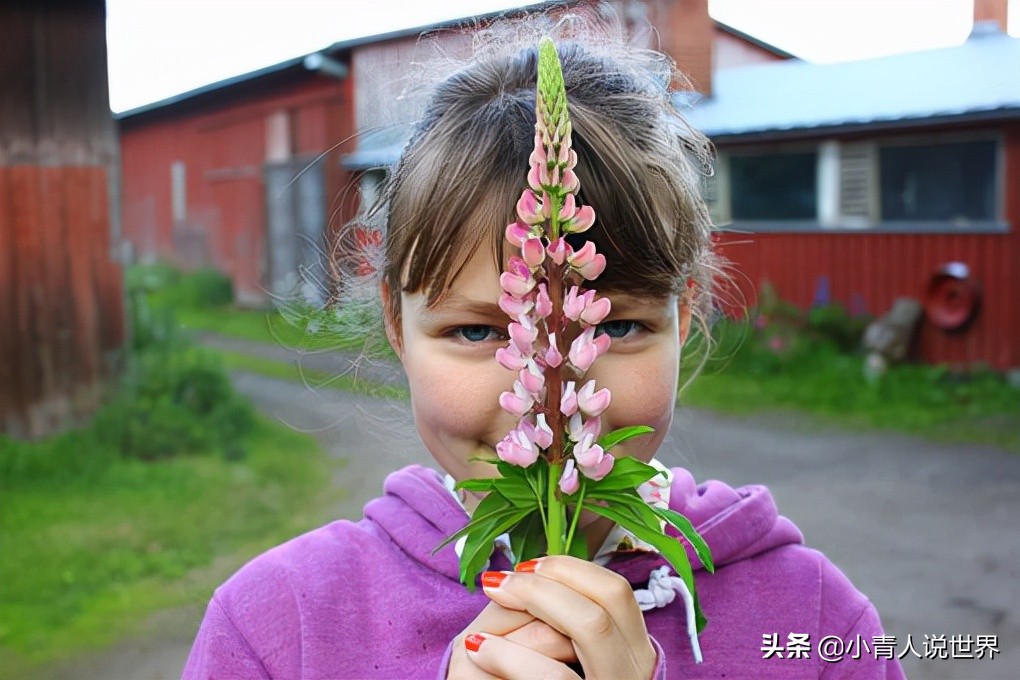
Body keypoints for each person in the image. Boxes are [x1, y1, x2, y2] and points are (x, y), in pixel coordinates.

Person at [182, 27, 905, 680]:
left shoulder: (816, 623)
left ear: (685, 319)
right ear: (397, 330)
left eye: (615, 327)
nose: (551, 394)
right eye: (478, 332)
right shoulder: (277, 625)